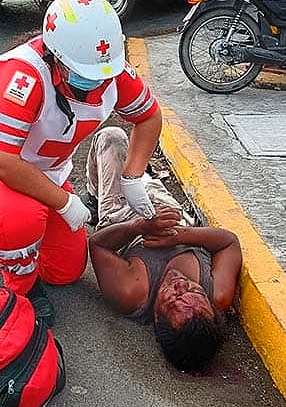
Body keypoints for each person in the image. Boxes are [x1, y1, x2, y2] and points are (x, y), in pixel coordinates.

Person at [0, 0, 162, 327]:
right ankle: (22, 288)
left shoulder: (109, 69)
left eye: (103, 73)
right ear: (56, 56)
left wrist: (132, 177)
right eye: (85, 73)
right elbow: (1, 161)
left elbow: (148, 116)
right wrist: (63, 202)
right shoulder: (24, 75)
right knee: (18, 218)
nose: (97, 82)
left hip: (42, 171)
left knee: (65, 270)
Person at [87, 127, 242, 371]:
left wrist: (138, 226)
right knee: (142, 175)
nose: (181, 284)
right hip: (169, 211)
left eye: (174, 298)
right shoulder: (219, 295)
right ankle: (143, 178)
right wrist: (180, 235)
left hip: (123, 214)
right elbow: (229, 242)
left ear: (158, 317)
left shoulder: (132, 292)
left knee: (112, 137)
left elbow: (97, 244)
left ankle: (94, 192)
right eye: (195, 291)